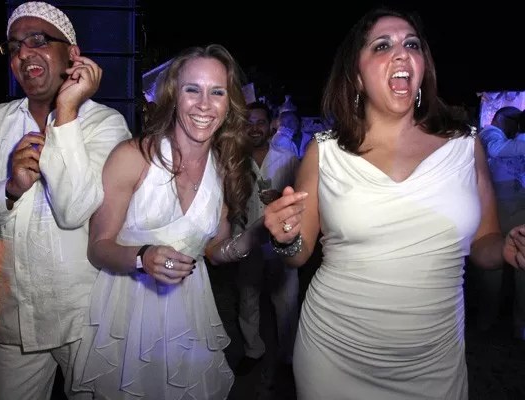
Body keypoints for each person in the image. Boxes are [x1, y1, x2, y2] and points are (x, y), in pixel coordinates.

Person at [262, 6, 525, 400]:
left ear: (423, 69)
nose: (402, 53)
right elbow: (298, 254)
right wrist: (284, 237)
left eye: (412, 45)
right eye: (382, 46)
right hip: (334, 354)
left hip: (434, 362)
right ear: (356, 76)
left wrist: (505, 249)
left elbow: (483, 242)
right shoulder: (324, 152)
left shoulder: (465, 146)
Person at [0, 2, 131, 399]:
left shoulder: (105, 124)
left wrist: (67, 111)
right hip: (15, 317)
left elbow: (75, 210)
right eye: (14, 47)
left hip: (85, 315)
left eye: (38, 40)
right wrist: (9, 189)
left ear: (72, 53)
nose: (23, 53)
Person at [72, 44, 260, 399]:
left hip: (189, 314)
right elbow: (98, 247)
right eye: (192, 89)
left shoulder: (223, 169)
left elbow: (214, 250)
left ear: (229, 103)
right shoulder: (133, 156)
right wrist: (142, 257)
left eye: (217, 92)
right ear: (174, 95)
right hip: (127, 314)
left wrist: (257, 235)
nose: (204, 104)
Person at [234, 102, 300, 392]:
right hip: (246, 239)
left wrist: (282, 198)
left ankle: (288, 356)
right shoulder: (235, 160)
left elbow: (303, 195)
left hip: (280, 240)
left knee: (285, 301)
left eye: (260, 122)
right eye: (248, 123)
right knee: (247, 298)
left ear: (271, 125)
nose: (254, 128)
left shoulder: (287, 158)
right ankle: (253, 350)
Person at [475, 106, 525, 333]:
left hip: (518, 205)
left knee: (521, 265)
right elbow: (496, 151)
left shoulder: (512, 140)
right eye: (513, 120)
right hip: (497, 208)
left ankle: (520, 323)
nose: (515, 125)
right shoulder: (489, 133)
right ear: (500, 118)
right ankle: (485, 320)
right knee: (491, 270)